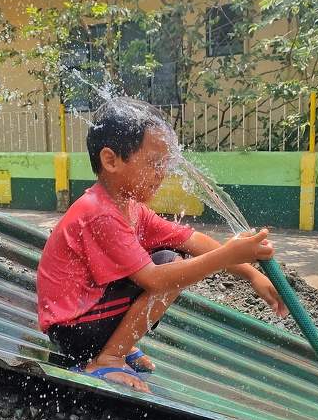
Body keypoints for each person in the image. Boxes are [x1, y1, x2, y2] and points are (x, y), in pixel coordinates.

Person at [37, 97, 288, 393]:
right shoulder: (99, 213)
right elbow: (155, 280)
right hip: (74, 330)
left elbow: (190, 239)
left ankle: (114, 344)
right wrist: (226, 255)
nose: (162, 174)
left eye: (165, 164)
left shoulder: (130, 208)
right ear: (111, 160)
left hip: (86, 319)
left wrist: (251, 274)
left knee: (170, 254)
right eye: (154, 163)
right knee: (169, 266)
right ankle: (109, 357)